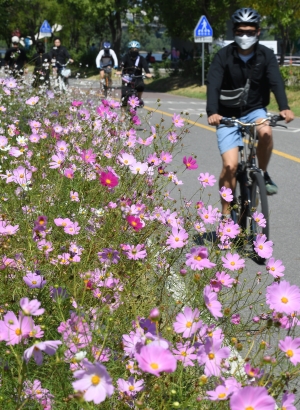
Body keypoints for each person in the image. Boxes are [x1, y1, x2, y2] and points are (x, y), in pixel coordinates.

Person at [206, 7, 294, 217]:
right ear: (234, 31)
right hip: (226, 116)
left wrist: (284, 107)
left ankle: (262, 174)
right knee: (230, 166)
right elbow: (213, 85)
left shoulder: (266, 55)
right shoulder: (223, 56)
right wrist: (213, 112)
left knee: (266, 133)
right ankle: (226, 217)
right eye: (240, 31)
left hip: (254, 110)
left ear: (258, 32)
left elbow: (276, 82)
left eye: (249, 31)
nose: (244, 36)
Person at [117, 40, 152, 106]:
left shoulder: (141, 58)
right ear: (129, 49)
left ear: (138, 50)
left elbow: (145, 66)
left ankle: (139, 98)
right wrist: (119, 70)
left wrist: (148, 73)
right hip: (127, 78)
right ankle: (123, 114)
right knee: (124, 96)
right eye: (132, 49)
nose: (134, 50)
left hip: (137, 78)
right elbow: (121, 64)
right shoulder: (126, 57)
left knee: (141, 86)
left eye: (136, 49)